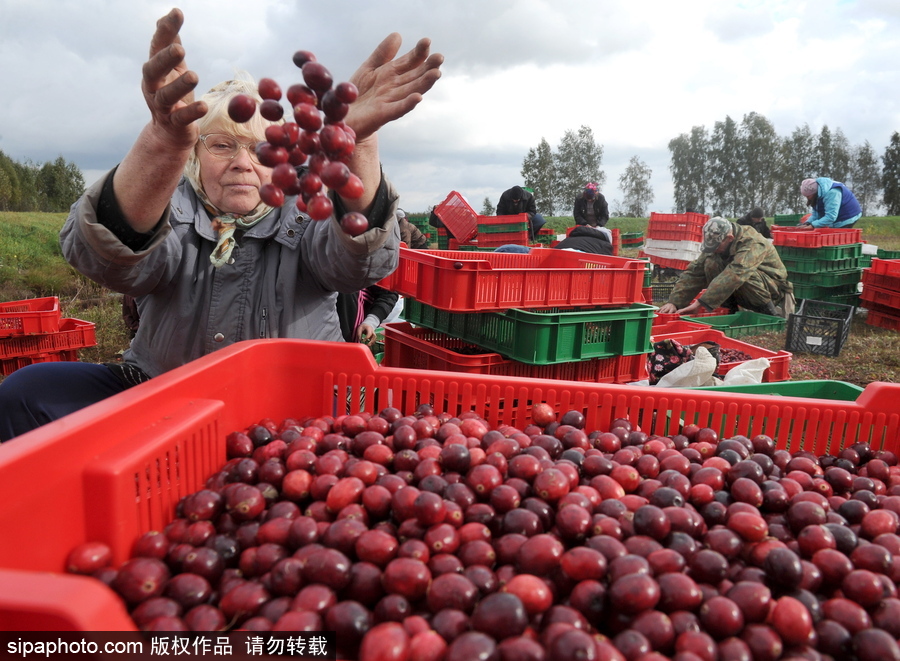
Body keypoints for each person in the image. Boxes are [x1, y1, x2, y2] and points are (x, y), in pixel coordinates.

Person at [0, 8, 442, 442]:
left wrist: (357, 146)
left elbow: (360, 263)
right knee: (29, 393)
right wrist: (161, 144)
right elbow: (110, 262)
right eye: (222, 145)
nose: (242, 163)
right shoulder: (171, 206)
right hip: (166, 397)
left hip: (293, 418)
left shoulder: (307, 209)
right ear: (195, 155)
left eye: (260, 148)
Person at [657, 217, 794, 318]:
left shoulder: (752, 242)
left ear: (729, 238)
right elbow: (694, 272)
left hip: (772, 289)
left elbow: (736, 273)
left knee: (744, 274)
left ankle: (770, 316)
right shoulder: (718, 244)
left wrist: (701, 303)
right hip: (746, 290)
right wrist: (674, 302)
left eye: (717, 246)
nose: (714, 249)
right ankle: (729, 311)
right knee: (710, 263)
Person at [796, 177, 862, 230]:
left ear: (814, 192)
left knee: (836, 238)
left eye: (808, 196)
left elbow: (831, 216)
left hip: (847, 216)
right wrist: (808, 223)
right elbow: (816, 213)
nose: (807, 198)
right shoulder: (818, 194)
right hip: (835, 215)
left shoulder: (832, 193)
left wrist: (813, 225)